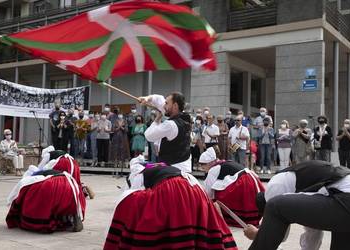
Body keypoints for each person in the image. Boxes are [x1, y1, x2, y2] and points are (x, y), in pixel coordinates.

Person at [104, 155, 237, 250]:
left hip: (171, 189)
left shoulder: (139, 174)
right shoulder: (165, 167)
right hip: (194, 188)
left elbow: (131, 197)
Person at [244, 160, 350, 250]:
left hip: (346, 197)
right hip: (346, 198)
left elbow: (277, 231)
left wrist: (258, 235)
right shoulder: (297, 175)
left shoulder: (275, 185)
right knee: (343, 231)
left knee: (275, 206)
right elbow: (313, 230)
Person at [199, 147, 264, 227]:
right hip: (251, 178)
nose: (202, 169)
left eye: (203, 166)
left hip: (243, 182)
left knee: (219, 195)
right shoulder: (224, 162)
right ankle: (249, 219)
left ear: (209, 163)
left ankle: (230, 218)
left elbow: (208, 190)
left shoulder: (214, 169)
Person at [139, 92, 192, 173]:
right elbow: (159, 99)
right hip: (184, 167)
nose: (164, 106)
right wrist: (147, 98)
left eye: (166, 103)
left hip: (172, 170)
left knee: (141, 172)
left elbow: (148, 135)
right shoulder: (185, 118)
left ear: (175, 106)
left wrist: (157, 119)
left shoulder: (170, 125)